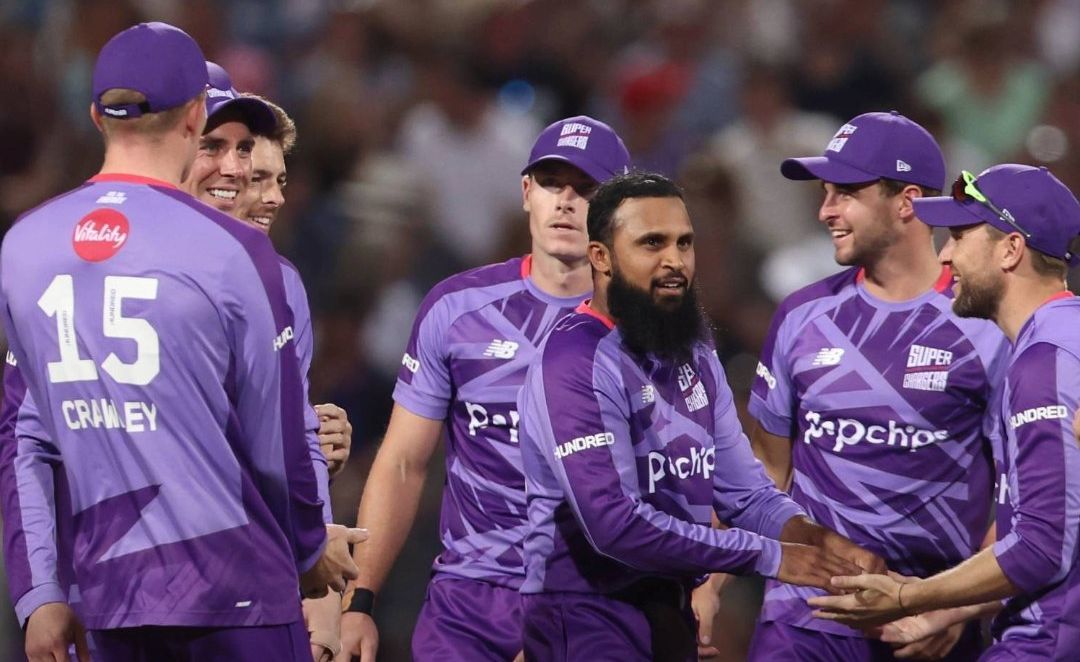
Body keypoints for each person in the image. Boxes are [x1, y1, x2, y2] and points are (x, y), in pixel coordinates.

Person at [0, 23, 364, 661]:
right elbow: (274, 442)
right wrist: (310, 546)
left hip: (120, 594)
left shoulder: (26, 246)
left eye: (246, 148)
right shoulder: (239, 260)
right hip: (224, 590)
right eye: (217, 142)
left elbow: (280, 438)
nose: (233, 166)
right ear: (190, 123)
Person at [517, 171, 871, 661]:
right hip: (584, 614)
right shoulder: (573, 359)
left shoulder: (695, 351)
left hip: (669, 611)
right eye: (652, 243)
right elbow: (612, 525)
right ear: (601, 257)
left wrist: (817, 541)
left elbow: (745, 493)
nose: (674, 261)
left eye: (685, 243)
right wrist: (774, 557)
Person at [338, 116, 631, 661]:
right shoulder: (456, 309)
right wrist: (360, 601)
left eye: (587, 189)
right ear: (526, 193)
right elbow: (403, 462)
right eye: (551, 184)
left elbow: (685, 483)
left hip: (594, 604)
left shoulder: (653, 330)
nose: (565, 202)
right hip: (465, 607)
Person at [744, 111, 1011, 661]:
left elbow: (1025, 494)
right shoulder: (800, 315)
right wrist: (711, 584)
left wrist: (954, 607)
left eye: (845, 193)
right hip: (803, 619)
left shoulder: (987, 328)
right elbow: (766, 470)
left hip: (922, 626)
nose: (825, 211)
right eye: (824, 193)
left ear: (907, 201)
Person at [809, 164, 1080, 661]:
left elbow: (1042, 549)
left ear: (1010, 249)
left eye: (959, 235)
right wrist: (948, 612)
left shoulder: (1047, 362)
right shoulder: (1062, 341)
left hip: (1047, 642)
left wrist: (908, 596)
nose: (946, 253)